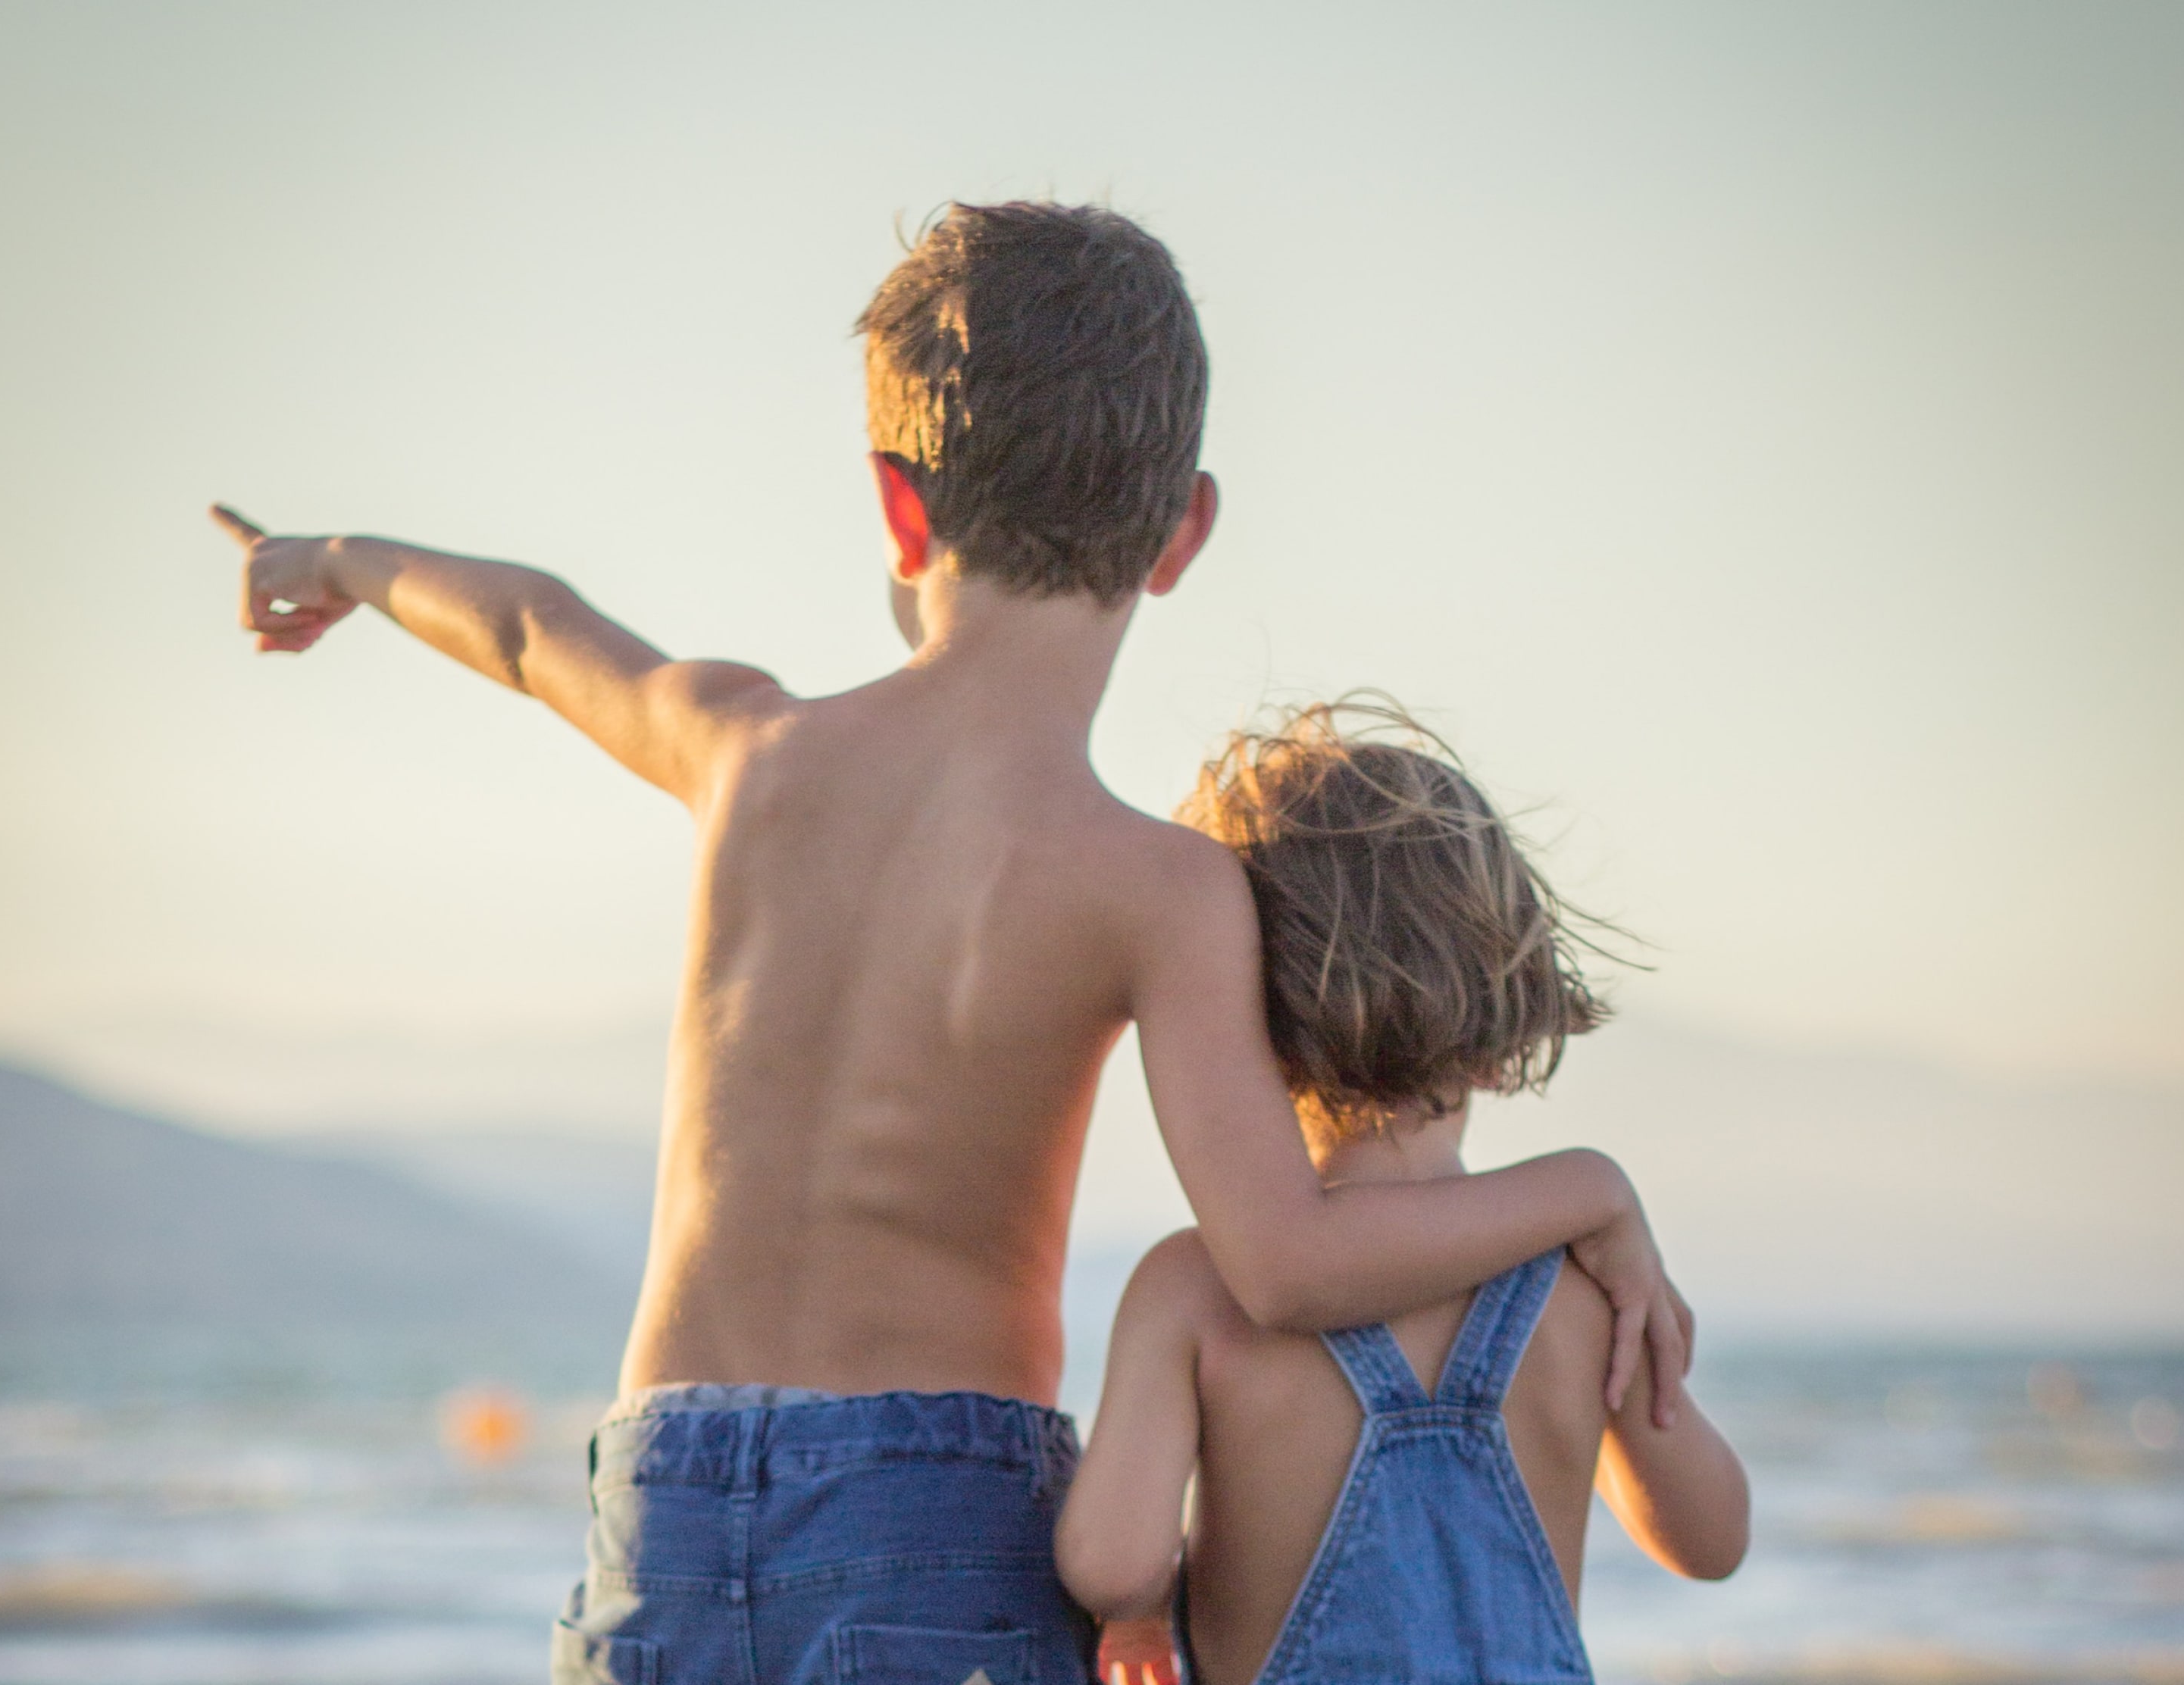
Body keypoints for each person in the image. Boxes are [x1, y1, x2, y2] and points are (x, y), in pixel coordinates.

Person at [212, 201, 1693, 1685]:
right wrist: (1585, 1190)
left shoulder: (742, 746)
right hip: (934, 1519)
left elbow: (533, 629)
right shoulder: (1152, 884)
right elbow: (1287, 1259)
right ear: (1181, 529)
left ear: (898, 509)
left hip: (658, 1498)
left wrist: (332, 558)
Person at [1056, 700, 1748, 1685]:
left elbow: (1112, 1559)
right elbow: (1711, 1539)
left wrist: (1133, 1618)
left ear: (1242, 1023)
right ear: (1509, 1020)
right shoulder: (1582, 1284)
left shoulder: (1192, 1291)